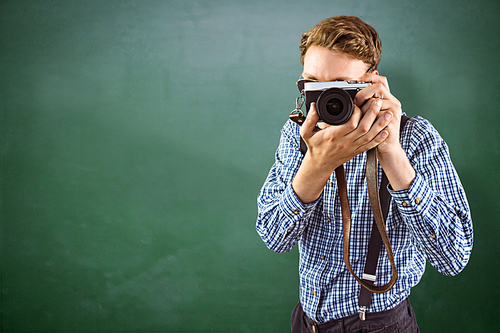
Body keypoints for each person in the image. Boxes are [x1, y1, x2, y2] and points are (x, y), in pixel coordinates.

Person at [256, 15, 473, 332]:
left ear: (373, 82)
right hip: (307, 322)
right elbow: (275, 238)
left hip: (378, 324)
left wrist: (392, 152)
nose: (328, 100)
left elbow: (452, 257)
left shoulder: (414, 138)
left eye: (341, 88)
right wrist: (316, 166)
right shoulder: (298, 135)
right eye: (314, 85)